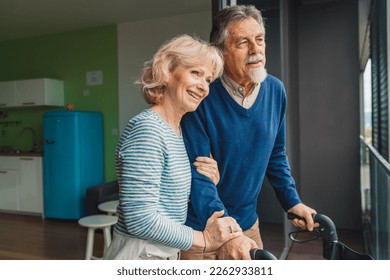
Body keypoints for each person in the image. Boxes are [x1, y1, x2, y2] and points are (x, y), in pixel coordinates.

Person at [180, 5, 317, 260]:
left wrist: (292, 201)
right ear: (221, 52)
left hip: (248, 226)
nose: (256, 50)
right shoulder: (202, 96)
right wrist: (229, 233)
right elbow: (199, 176)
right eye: (243, 42)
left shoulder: (275, 91)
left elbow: (275, 154)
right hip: (204, 230)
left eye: (260, 40)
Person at [103, 34, 242, 260]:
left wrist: (207, 179)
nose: (203, 87)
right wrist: (204, 240)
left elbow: (166, 202)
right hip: (140, 253)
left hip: (162, 251)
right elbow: (140, 219)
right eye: (195, 73)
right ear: (167, 72)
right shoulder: (147, 130)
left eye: (208, 80)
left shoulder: (175, 132)